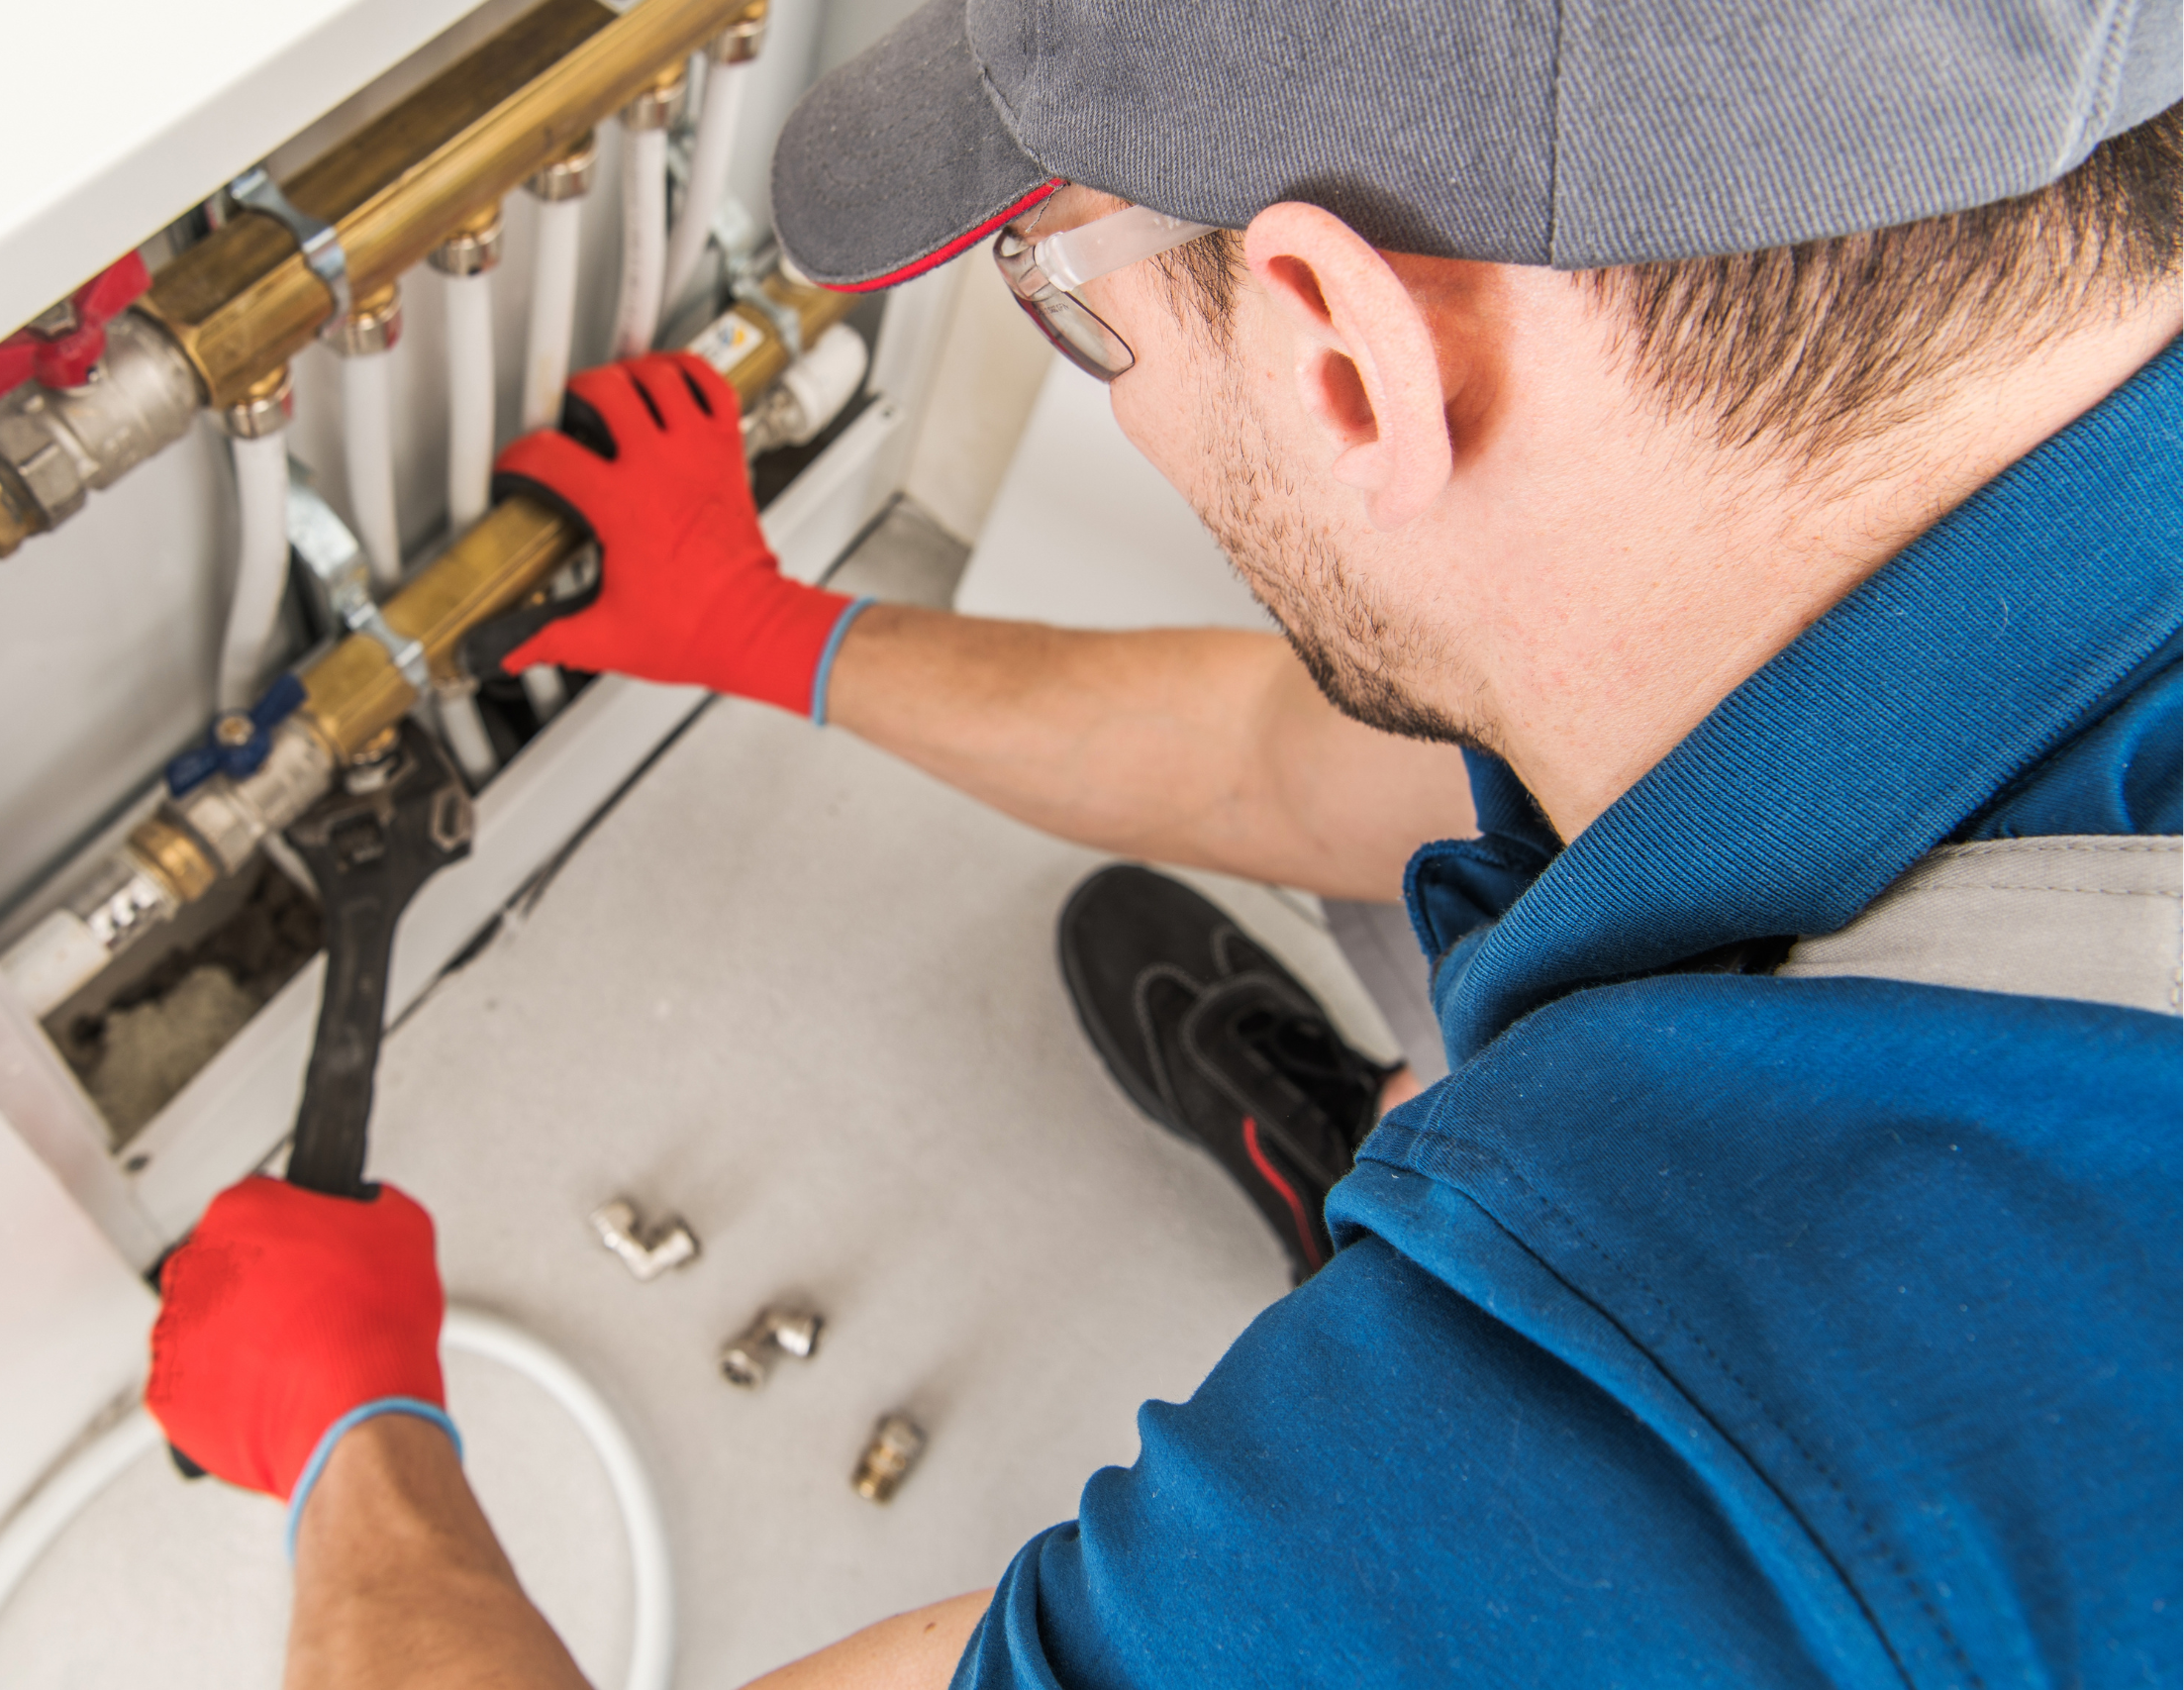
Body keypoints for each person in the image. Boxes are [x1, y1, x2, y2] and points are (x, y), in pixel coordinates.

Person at [147, 0, 2183, 1682]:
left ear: (1345, 357)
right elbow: (1289, 770)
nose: (1090, 359)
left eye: (1065, 291)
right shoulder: (1964, 438)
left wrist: (355, 1441)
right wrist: (771, 632)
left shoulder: (1657, 1499)